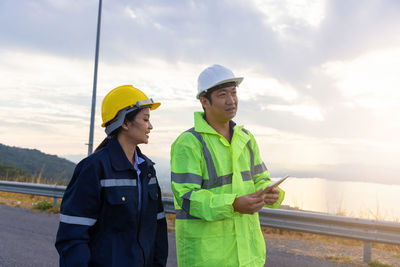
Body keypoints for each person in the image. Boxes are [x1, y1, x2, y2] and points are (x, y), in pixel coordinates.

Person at [170, 64, 285, 267]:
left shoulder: (246, 138)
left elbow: (260, 177)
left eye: (233, 93)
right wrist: (233, 204)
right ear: (204, 101)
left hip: (247, 256)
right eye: (223, 95)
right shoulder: (189, 143)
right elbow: (187, 197)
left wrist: (269, 192)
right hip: (208, 258)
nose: (231, 101)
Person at [55, 85, 168, 267]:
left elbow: (158, 230)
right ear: (124, 123)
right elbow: (72, 236)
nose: (150, 126)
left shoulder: (147, 170)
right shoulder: (93, 168)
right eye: (145, 119)